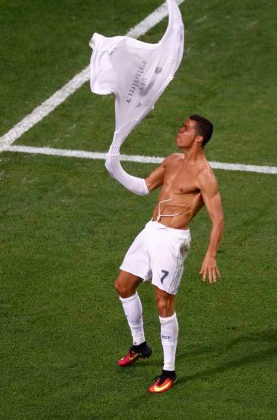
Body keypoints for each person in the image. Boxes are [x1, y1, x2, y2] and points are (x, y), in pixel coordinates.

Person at [112, 114, 225, 394]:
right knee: (123, 286)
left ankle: (169, 371)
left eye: (186, 128)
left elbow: (218, 219)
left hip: (172, 241)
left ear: (199, 138)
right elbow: (144, 187)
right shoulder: (173, 160)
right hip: (150, 231)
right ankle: (140, 345)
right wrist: (115, 168)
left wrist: (210, 254)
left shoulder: (205, 175)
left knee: (163, 303)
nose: (180, 130)